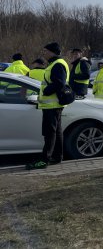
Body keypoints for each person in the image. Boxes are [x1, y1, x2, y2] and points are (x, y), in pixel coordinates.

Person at [26, 42, 69, 170]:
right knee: (56, 131)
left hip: (52, 105)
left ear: (52, 52)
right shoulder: (55, 63)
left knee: (49, 133)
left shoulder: (57, 64)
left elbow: (59, 83)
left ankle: (45, 160)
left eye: (45, 51)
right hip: (53, 104)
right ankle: (57, 156)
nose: (43, 53)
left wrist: (46, 91)